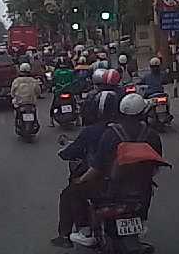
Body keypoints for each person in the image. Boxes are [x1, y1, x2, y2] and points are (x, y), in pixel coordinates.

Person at [69, 93, 165, 247]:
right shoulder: (152, 135)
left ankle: (86, 231)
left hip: (111, 191)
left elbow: (97, 167)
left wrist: (81, 180)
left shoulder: (111, 134)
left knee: (76, 190)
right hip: (141, 191)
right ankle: (141, 220)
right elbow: (155, 165)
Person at [52, 91, 119, 248]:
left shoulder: (93, 131)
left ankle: (77, 232)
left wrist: (81, 177)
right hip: (131, 184)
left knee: (71, 192)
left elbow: (93, 163)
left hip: (102, 183)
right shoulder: (136, 130)